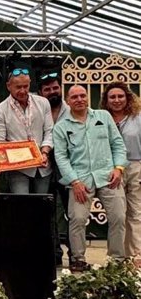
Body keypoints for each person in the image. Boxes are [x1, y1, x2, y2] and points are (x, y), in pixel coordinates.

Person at [53, 85, 127, 271]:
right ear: (68, 101)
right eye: (74, 97)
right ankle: (78, 259)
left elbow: (117, 144)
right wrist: (74, 181)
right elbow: (61, 157)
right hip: (80, 179)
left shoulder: (104, 117)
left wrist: (118, 168)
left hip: (109, 176)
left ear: (88, 98)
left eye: (82, 95)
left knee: (118, 216)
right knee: (77, 219)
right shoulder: (61, 127)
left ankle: (116, 261)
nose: (79, 99)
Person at [0, 68, 54, 193]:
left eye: (26, 86)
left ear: (30, 83)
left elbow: (49, 131)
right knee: (21, 204)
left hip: (42, 165)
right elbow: (0, 142)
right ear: (8, 86)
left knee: (43, 204)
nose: (22, 91)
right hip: (18, 168)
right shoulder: (0, 110)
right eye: (18, 87)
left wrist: (44, 152)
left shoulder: (43, 103)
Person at [101, 81, 141, 261]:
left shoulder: (138, 117)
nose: (117, 100)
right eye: (112, 97)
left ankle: (135, 254)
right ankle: (116, 256)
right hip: (112, 170)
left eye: (120, 96)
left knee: (135, 211)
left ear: (127, 97)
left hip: (135, 166)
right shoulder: (101, 119)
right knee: (117, 214)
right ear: (106, 100)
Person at [38, 72, 71, 265]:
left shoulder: (71, 110)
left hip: (68, 169)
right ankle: (53, 253)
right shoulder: (38, 111)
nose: (52, 92)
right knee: (47, 211)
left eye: (55, 88)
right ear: (41, 93)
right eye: (48, 89)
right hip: (44, 167)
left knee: (72, 212)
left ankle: (75, 254)